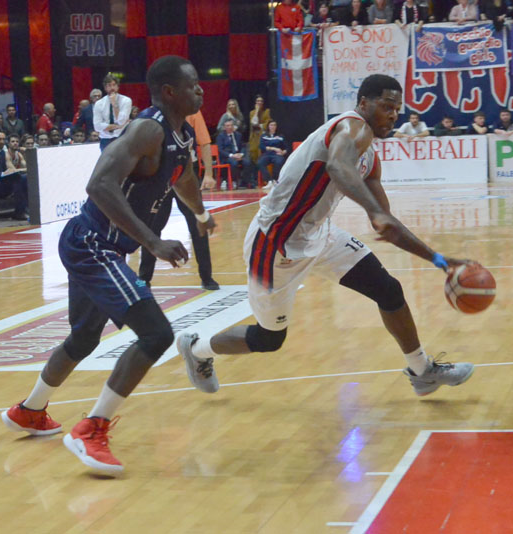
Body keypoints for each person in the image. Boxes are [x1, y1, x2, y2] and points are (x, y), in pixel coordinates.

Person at [175, 73, 477, 402]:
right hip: (276, 243)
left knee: (388, 290)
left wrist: (438, 259)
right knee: (269, 338)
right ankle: (197, 349)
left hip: (320, 234)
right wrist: (374, 211)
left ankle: (422, 371)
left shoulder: (370, 157)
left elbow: (386, 223)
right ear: (363, 103)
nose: (393, 115)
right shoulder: (352, 127)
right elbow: (337, 166)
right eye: (387, 106)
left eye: (397, 109)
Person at [0, 55, 216, 475]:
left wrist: (202, 213)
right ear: (169, 91)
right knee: (156, 334)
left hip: (100, 246)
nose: (201, 90)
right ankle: (91, 430)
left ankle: (30, 410)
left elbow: (184, 177)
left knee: (83, 338)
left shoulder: (182, 133)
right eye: (193, 84)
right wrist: (153, 242)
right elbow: (98, 184)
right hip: (93, 244)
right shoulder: (148, 129)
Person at [139, 109, 220, 291]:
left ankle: (207, 277)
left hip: (186, 173)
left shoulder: (192, 113)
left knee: (198, 224)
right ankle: (143, 279)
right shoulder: (155, 116)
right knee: (153, 227)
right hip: (161, 176)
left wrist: (208, 173)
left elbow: (205, 143)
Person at [94, 73, 132, 151]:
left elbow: (121, 121)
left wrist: (115, 104)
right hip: (105, 140)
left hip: (121, 138)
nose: (112, 88)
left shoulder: (126, 101)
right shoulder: (99, 103)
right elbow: (97, 126)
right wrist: (117, 126)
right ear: (105, 88)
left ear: (118, 86)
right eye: (109, 85)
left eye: (114, 85)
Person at [217, 118, 255, 189]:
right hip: (227, 156)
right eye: (228, 126)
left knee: (248, 162)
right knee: (234, 163)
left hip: (238, 155)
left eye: (231, 125)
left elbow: (243, 146)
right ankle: (232, 180)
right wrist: (232, 155)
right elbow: (220, 150)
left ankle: (244, 182)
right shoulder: (221, 136)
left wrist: (241, 154)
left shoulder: (238, 135)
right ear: (224, 127)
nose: (230, 127)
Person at [258, 120, 288, 189]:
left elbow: (286, 148)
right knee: (260, 162)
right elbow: (262, 146)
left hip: (277, 154)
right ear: (268, 126)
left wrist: (283, 152)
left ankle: (275, 180)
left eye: (274, 125)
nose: (273, 127)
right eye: (271, 125)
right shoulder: (264, 136)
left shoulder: (281, 136)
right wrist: (273, 148)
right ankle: (269, 181)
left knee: (279, 161)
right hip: (267, 154)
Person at [248, 95, 271, 163]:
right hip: (254, 135)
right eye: (258, 101)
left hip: (263, 135)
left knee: (261, 152)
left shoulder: (267, 111)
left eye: (261, 101)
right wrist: (256, 111)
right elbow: (253, 123)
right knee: (253, 153)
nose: (259, 102)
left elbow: (267, 123)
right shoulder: (252, 113)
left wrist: (259, 125)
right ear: (255, 102)